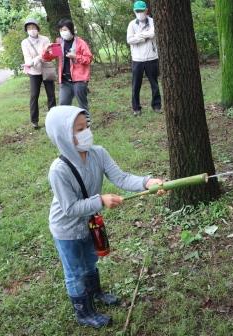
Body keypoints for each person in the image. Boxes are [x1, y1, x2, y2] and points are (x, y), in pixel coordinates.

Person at [45, 105, 164, 328]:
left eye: (86, 126)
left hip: (89, 223)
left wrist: (146, 182)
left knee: (91, 261)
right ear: (62, 136)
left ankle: (96, 292)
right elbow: (70, 208)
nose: (86, 132)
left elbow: (121, 178)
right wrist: (100, 200)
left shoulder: (98, 153)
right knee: (74, 271)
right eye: (79, 129)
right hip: (67, 229)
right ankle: (84, 312)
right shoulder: (58, 170)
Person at [42, 18, 93, 123]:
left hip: (79, 79)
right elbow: (48, 58)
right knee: (63, 104)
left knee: (82, 104)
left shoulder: (80, 43)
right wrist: (46, 51)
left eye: (65, 29)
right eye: (61, 30)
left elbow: (88, 59)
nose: (63, 32)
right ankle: (65, 125)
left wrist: (76, 56)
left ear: (71, 29)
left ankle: (86, 124)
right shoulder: (59, 43)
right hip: (65, 80)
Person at [127, 0, 162, 116]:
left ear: (146, 10)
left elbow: (153, 33)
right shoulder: (132, 24)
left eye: (141, 10)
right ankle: (136, 108)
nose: (139, 13)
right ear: (134, 11)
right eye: (137, 11)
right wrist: (143, 37)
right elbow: (130, 40)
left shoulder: (153, 21)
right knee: (136, 85)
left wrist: (138, 36)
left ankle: (156, 105)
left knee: (154, 83)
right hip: (137, 60)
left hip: (152, 58)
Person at [21, 18, 56, 129]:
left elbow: (51, 53)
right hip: (34, 72)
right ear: (26, 30)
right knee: (34, 95)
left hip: (46, 69)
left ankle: (53, 119)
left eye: (34, 27)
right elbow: (27, 58)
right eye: (29, 28)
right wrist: (31, 62)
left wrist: (39, 57)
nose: (32, 30)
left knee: (51, 95)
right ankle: (34, 121)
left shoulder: (45, 39)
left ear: (37, 28)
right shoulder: (25, 42)